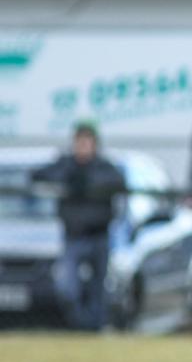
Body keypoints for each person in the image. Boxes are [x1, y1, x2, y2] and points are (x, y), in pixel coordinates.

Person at [31, 121, 125, 330]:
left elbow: (119, 182)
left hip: (99, 235)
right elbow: (38, 175)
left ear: (95, 144)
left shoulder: (104, 167)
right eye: (79, 142)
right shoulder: (66, 165)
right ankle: (81, 325)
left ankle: (95, 328)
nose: (82, 147)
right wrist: (69, 176)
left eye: (87, 142)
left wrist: (88, 181)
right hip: (73, 236)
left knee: (98, 288)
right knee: (68, 287)